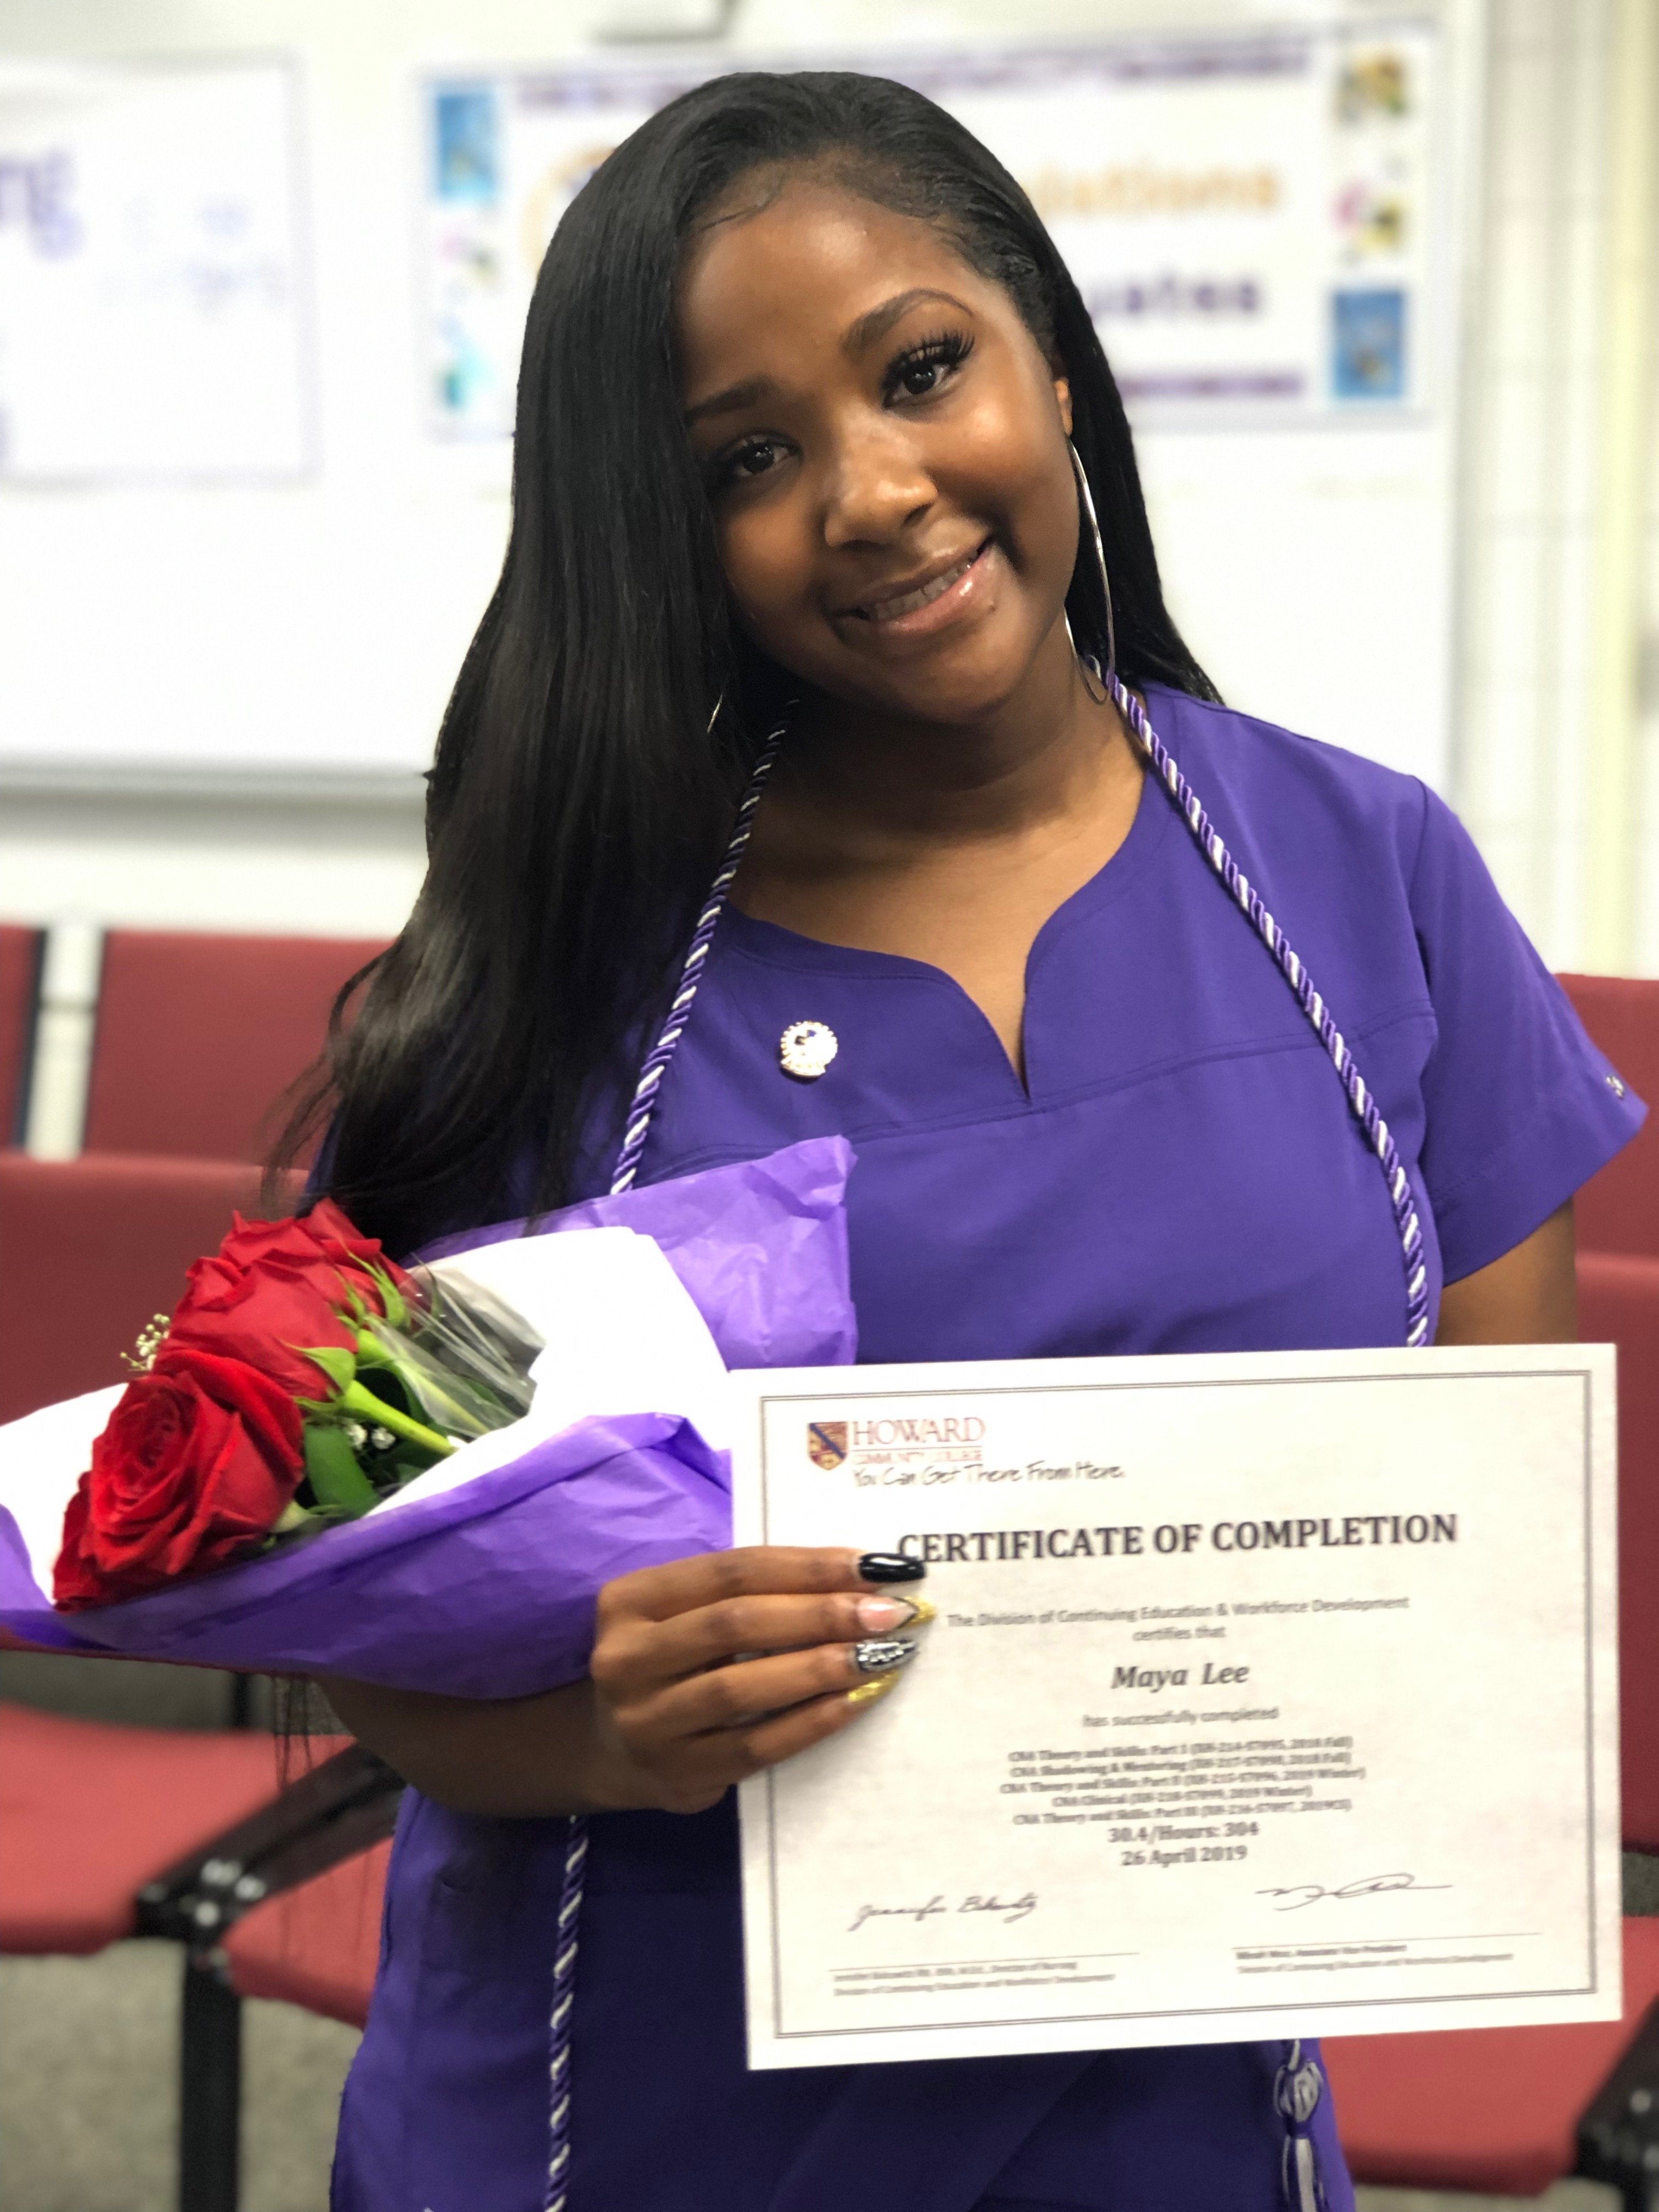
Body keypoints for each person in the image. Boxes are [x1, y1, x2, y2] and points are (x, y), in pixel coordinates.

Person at [299, 70, 1644, 2212]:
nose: (874, 488)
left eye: (923, 370)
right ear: (669, 539)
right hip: (627, 2120)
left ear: (1046, 360)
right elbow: (362, 1634)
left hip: (1177, 2124)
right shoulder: (552, 975)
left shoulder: (1363, 873)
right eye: (748, 459)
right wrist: (600, 1737)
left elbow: (1473, 1566)